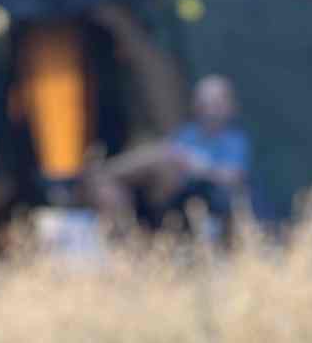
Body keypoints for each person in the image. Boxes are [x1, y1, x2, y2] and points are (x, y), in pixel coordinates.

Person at [89, 73, 250, 238]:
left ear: (228, 106)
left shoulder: (233, 140)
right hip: (158, 189)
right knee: (152, 159)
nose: (208, 109)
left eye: (214, 103)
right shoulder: (189, 133)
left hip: (188, 193)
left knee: (161, 156)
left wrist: (200, 166)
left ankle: (107, 171)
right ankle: (109, 179)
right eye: (203, 103)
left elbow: (233, 177)